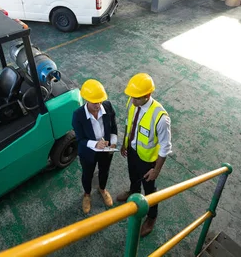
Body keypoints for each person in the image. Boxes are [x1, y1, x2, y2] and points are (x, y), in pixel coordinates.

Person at [117, 73, 172, 237]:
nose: (132, 101)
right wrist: (125, 144)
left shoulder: (161, 118)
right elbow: (129, 123)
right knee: (133, 176)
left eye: (137, 98)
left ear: (148, 95)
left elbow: (165, 147)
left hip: (148, 161)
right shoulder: (133, 102)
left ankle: (151, 217)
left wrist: (156, 170)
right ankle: (133, 192)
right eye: (131, 97)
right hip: (133, 152)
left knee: (150, 189)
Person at [72, 79, 117, 214]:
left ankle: (102, 189)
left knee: (105, 170)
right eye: (94, 102)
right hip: (88, 152)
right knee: (87, 174)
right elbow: (80, 139)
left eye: (100, 101)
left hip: (106, 150)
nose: (98, 105)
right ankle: (87, 194)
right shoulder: (78, 115)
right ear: (86, 100)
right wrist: (95, 144)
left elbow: (114, 127)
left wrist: (113, 142)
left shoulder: (107, 107)